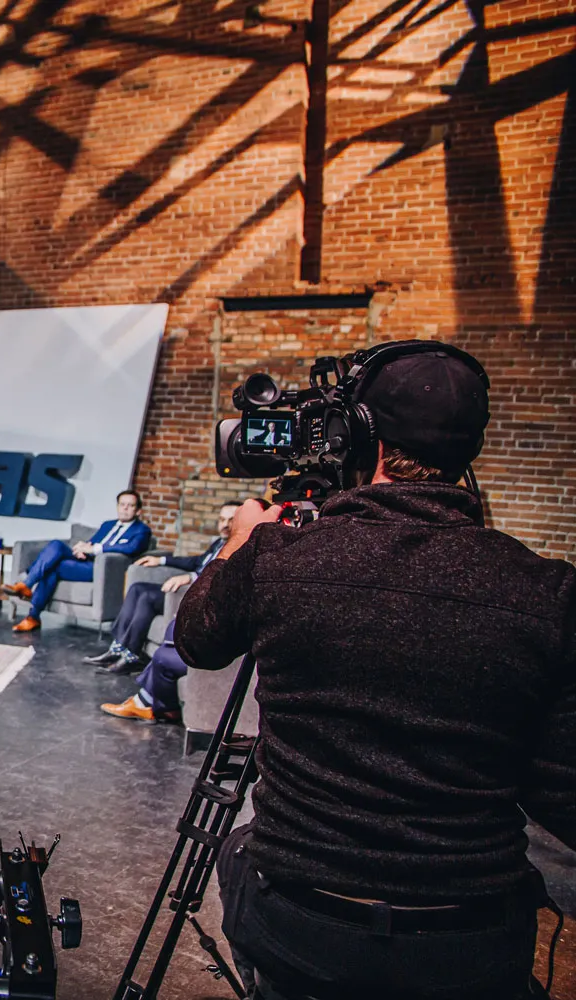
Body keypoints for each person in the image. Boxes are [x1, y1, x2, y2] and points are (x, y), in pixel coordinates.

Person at [175, 346, 576, 999]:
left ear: (362, 432)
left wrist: (240, 542)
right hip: (471, 941)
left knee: (238, 849)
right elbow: (561, 795)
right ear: (469, 447)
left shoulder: (279, 558)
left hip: (305, 925)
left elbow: (195, 639)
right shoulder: (549, 593)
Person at [86, 500, 241, 675]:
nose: (225, 525)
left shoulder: (239, 548)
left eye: (231, 520)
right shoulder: (219, 543)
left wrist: (192, 577)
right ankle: (117, 647)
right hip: (189, 589)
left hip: (197, 597)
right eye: (221, 519)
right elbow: (196, 562)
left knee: (147, 597)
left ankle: (132, 656)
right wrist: (161, 560)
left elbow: (222, 575)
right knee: (137, 588)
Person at [2, 490, 151, 632]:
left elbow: (130, 548)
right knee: (56, 545)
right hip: (85, 560)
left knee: (55, 567)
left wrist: (95, 550)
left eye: (130, 505)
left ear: (138, 511)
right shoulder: (108, 525)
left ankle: (31, 605)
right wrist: (81, 550)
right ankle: (27, 590)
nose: (124, 508)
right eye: (122, 504)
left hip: (101, 568)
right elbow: (92, 543)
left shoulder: (142, 530)